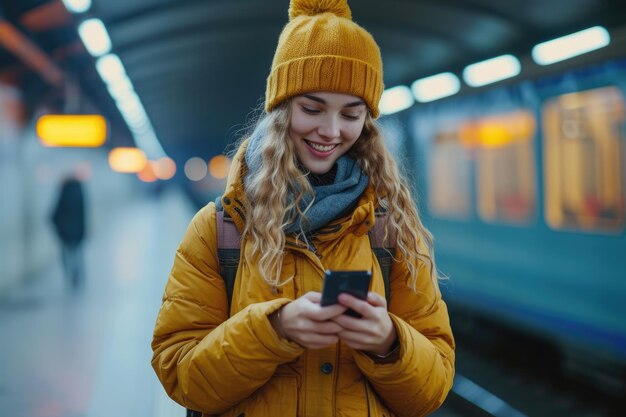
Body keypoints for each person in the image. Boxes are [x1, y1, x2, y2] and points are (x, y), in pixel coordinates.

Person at [151, 1, 455, 416]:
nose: (330, 131)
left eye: (351, 114)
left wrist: (389, 342)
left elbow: (433, 388)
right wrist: (273, 330)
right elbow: (180, 374)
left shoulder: (391, 231)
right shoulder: (219, 229)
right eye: (311, 108)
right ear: (280, 109)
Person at [51, 175, 86, 290]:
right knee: (77, 253)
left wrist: (58, 226)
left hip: (65, 231)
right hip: (78, 230)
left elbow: (56, 212)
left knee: (66, 254)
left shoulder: (64, 192)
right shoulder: (80, 193)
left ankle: (69, 275)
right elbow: (83, 214)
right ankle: (77, 274)